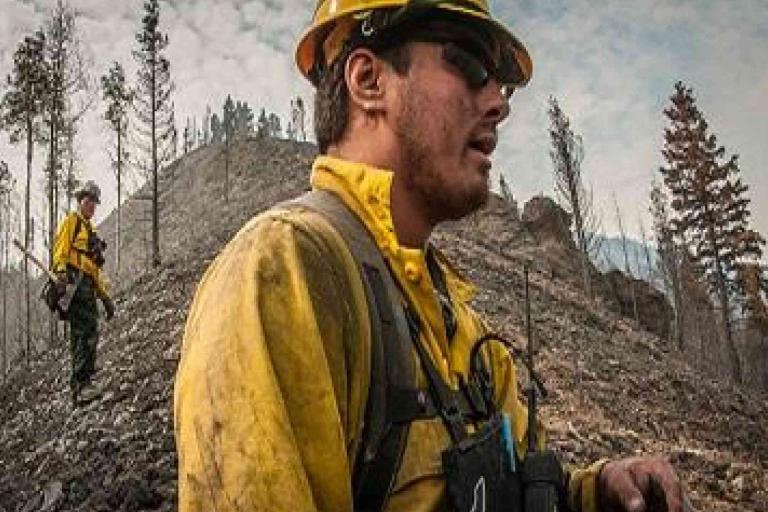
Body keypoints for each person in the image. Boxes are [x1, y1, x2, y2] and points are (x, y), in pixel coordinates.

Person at [174, 1, 689, 510]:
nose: (498, 104)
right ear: (368, 81)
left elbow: (516, 487)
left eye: (500, 84)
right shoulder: (282, 275)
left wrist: (591, 493)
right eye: (469, 64)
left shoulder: (466, 334)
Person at [52, 180, 115, 406]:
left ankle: (80, 385)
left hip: (87, 286)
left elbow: (94, 269)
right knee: (87, 331)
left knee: (82, 333)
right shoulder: (72, 222)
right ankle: (82, 384)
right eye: (88, 200)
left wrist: (105, 296)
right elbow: (60, 249)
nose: (91, 205)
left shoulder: (92, 232)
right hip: (73, 284)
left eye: (94, 202)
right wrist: (60, 273)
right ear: (80, 201)